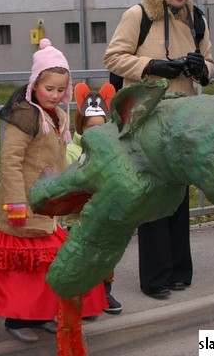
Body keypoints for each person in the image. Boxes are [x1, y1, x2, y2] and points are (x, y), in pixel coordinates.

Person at [0, 39, 107, 343]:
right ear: (35, 84)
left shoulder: (59, 117)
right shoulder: (24, 115)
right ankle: (16, 318)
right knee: (22, 267)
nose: (55, 95)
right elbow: (10, 161)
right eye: (49, 88)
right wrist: (14, 202)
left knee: (48, 265)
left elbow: (60, 160)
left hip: (48, 203)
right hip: (24, 202)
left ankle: (41, 314)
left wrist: (70, 191)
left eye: (61, 89)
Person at [103, 0, 214, 299]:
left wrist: (200, 68)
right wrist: (154, 65)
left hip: (182, 119)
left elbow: (210, 64)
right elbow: (114, 57)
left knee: (178, 196)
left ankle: (180, 271)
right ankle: (155, 279)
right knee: (153, 198)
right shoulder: (139, 14)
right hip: (147, 119)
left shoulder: (197, 18)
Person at [65, 82, 122, 315]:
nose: (96, 133)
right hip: (79, 217)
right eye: (90, 127)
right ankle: (81, 298)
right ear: (81, 126)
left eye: (101, 127)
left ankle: (105, 291)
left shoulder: (112, 149)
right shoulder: (72, 151)